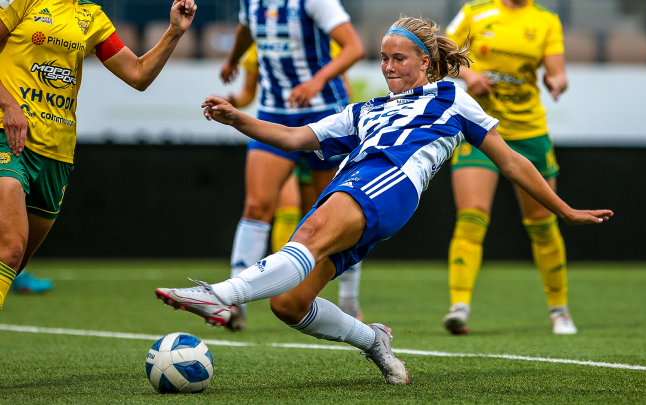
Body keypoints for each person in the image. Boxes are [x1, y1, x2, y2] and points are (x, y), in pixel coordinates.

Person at [154, 16, 612, 385]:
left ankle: (219, 297)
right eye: (383, 59)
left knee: (308, 236)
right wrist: (239, 119)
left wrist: (564, 209)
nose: (389, 67)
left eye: (399, 58)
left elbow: (511, 162)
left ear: (426, 62)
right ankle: (372, 341)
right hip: (350, 188)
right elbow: (295, 137)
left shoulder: (454, 97)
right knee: (289, 304)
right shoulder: (365, 110)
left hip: (390, 183)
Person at [0, 0, 197, 313]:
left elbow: (137, 74)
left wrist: (174, 32)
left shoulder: (91, 16)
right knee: (9, 249)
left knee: (15, 263)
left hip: (58, 154)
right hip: (9, 139)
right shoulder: (22, 2)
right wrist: (9, 105)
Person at [218, 0, 365, 331]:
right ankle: (233, 302)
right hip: (274, 113)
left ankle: (349, 300)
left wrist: (316, 81)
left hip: (324, 113)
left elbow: (353, 47)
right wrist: (233, 60)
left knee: (337, 211)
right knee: (256, 204)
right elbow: (245, 27)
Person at [442, 0, 576, 335]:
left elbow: (559, 72)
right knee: (472, 216)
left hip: (530, 132)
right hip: (480, 128)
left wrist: (556, 82)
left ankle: (559, 310)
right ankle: (459, 306)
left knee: (542, 224)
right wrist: (468, 74)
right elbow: (440, 57)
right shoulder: (475, 12)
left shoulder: (546, 20)